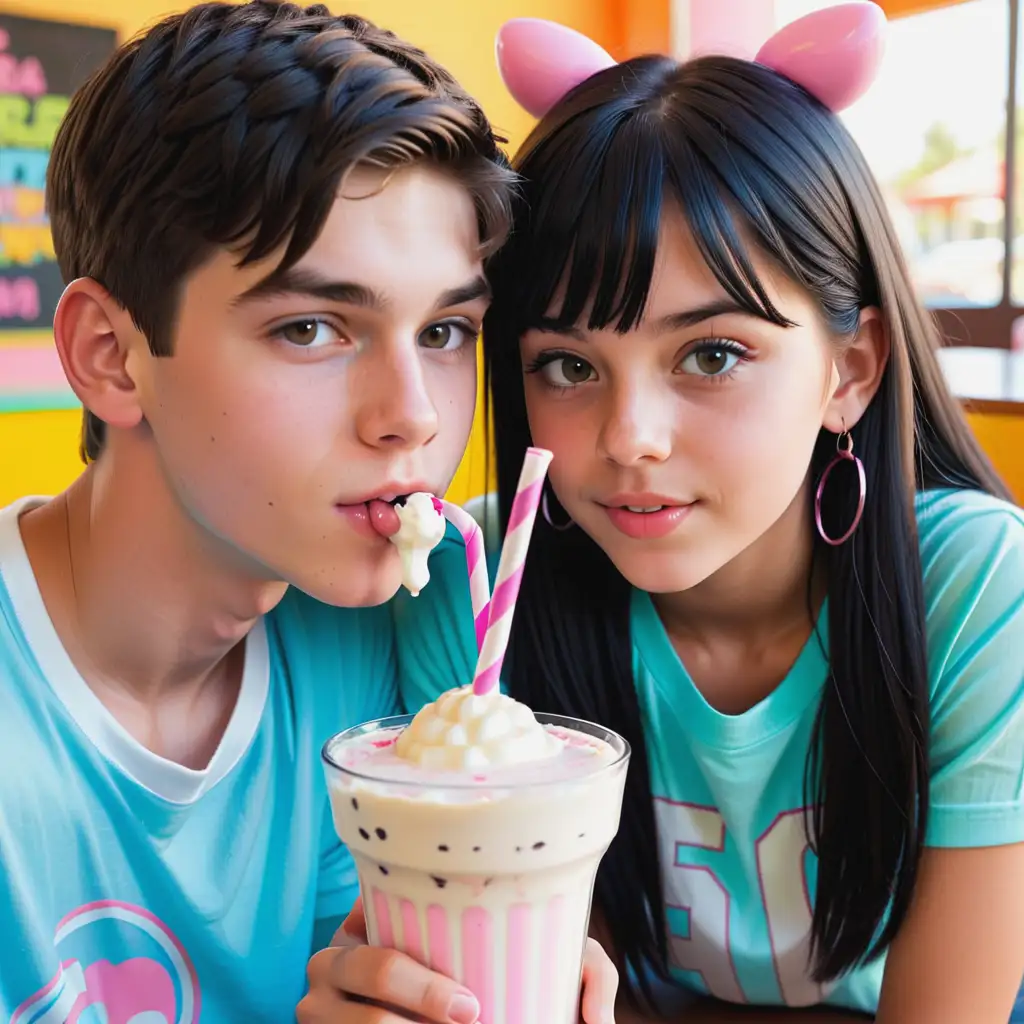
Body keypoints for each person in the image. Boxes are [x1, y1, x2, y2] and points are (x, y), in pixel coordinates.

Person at [395, 5, 1024, 1022]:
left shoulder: (973, 589)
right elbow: (545, 995)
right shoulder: (469, 598)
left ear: (848, 372)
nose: (629, 435)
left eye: (710, 354)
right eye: (566, 364)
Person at [0, 3, 620, 1022]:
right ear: (111, 355)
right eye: (311, 328)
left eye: (446, 330)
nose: (413, 418)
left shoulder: (377, 656)